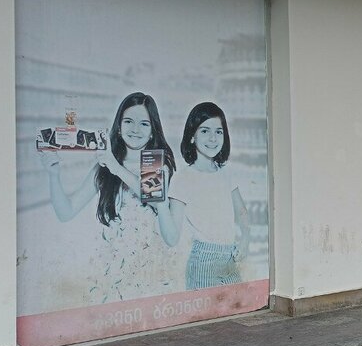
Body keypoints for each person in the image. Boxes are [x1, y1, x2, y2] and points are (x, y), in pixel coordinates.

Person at [40, 92, 179, 301]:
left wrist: (115, 167)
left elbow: (151, 193)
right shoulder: (105, 167)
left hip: (151, 271)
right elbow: (66, 212)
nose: (135, 129)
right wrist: (53, 175)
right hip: (113, 272)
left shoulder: (156, 161)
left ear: (152, 131)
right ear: (119, 127)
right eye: (128, 121)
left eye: (144, 124)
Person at [172, 102, 250, 290]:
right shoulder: (183, 178)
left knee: (238, 308)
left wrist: (245, 239)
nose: (213, 138)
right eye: (205, 131)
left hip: (229, 256)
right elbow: (174, 231)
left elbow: (241, 211)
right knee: (207, 314)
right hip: (203, 259)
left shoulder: (226, 173)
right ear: (192, 136)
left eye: (219, 132)